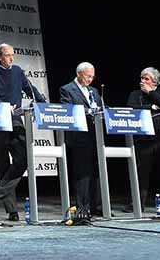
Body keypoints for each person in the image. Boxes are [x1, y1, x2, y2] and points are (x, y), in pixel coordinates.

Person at [0, 43, 46, 221]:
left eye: (13, 55)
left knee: (24, 157)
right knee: (3, 165)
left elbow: (29, 89)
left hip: (17, 120)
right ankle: (12, 211)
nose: (11, 58)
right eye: (7, 55)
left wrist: (41, 101)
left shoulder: (18, 70)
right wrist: (4, 107)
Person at [122, 67, 160, 213]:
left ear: (155, 81)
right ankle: (136, 204)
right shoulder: (135, 94)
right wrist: (150, 106)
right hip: (143, 138)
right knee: (140, 173)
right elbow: (131, 109)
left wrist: (150, 93)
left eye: (146, 79)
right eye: (141, 78)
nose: (142, 82)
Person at [60, 62, 103, 217]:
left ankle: (97, 206)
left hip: (95, 135)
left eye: (92, 76)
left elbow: (101, 108)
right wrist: (89, 111)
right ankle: (82, 208)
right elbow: (69, 110)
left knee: (98, 173)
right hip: (79, 137)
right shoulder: (67, 89)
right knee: (82, 173)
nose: (90, 79)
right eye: (88, 76)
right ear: (79, 74)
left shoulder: (94, 91)